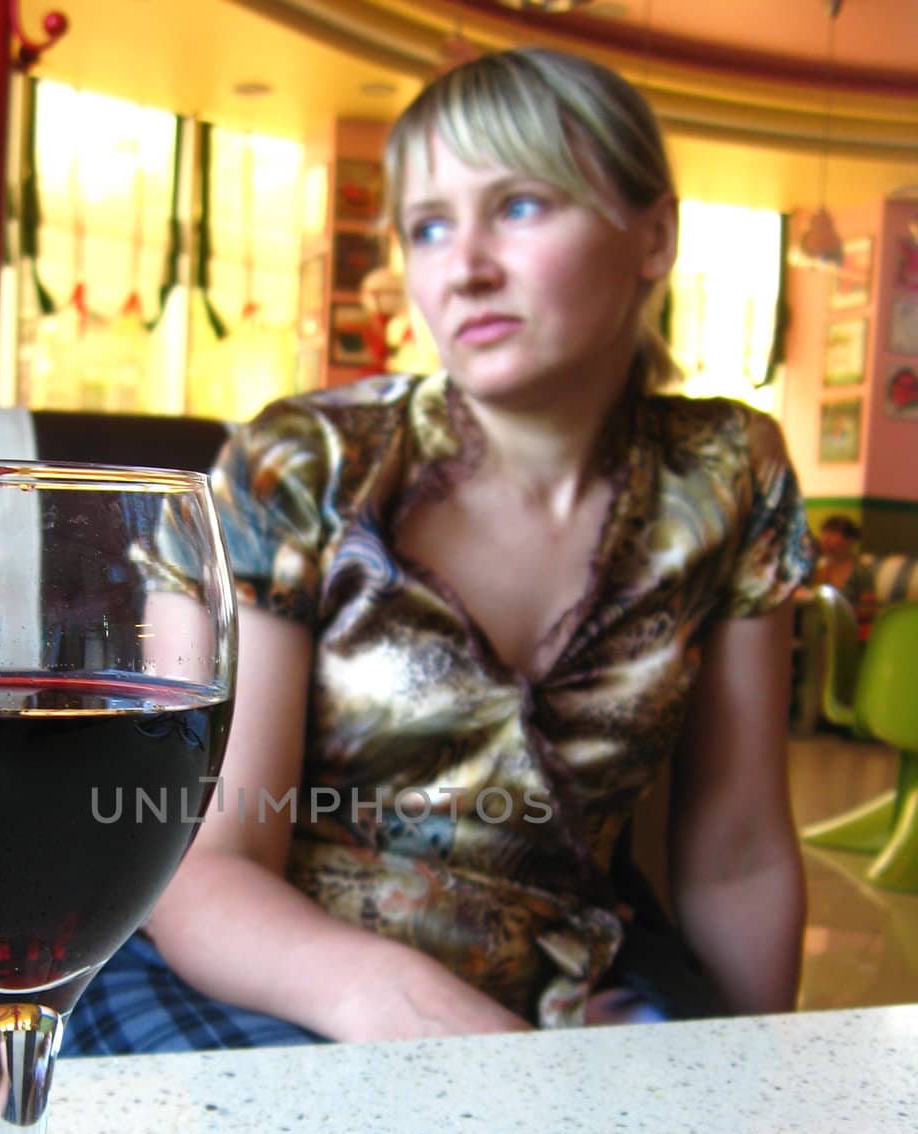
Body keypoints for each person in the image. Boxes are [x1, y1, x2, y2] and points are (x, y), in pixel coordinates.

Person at [61, 46, 813, 1056]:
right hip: (259, 976)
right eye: (429, 226)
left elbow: (737, 852)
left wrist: (766, 1090)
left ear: (656, 236)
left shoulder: (728, 473)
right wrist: (393, 1001)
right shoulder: (304, 462)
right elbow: (198, 859)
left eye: (519, 206)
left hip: (563, 984)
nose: (463, 268)